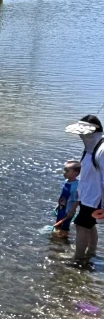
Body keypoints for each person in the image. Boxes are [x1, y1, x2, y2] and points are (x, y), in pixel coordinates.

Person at [65, 114, 104, 268]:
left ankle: (78, 259)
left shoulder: (101, 150)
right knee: (89, 225)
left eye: (83, 133)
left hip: (97, 198)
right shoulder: (90, 148)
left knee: (80, 225)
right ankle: (91, 253)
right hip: (87, 195)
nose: (81, 136)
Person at [53, 161, 80, 237]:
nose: (64, 172)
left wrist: (72, 210)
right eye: (64, 170)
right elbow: (62, 194)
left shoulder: (76, 185)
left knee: (65, 227)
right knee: (58, 224)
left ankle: (64, 241)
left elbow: (78, 199)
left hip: (68, 210)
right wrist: (58, 204)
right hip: (61, 208)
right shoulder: (66, 181)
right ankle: (56, 241)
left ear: (76, 173)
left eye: (67, 171)